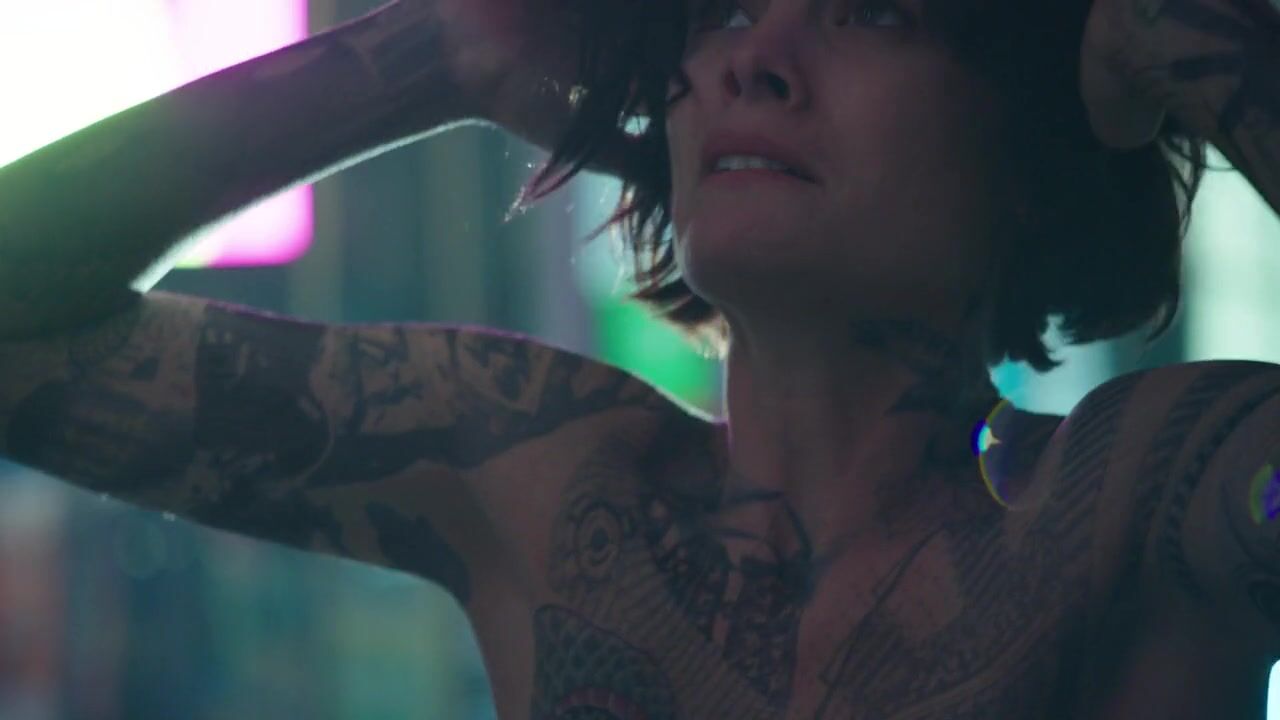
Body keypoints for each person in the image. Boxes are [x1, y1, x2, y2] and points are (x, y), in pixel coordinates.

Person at [0, 0, 1278, 716]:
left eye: (871, 11)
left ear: (1030, 152)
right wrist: (442, 52)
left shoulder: (1152, 498)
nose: (751, 58)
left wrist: (1204, 42)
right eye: (720, 9)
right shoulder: (546, 473)